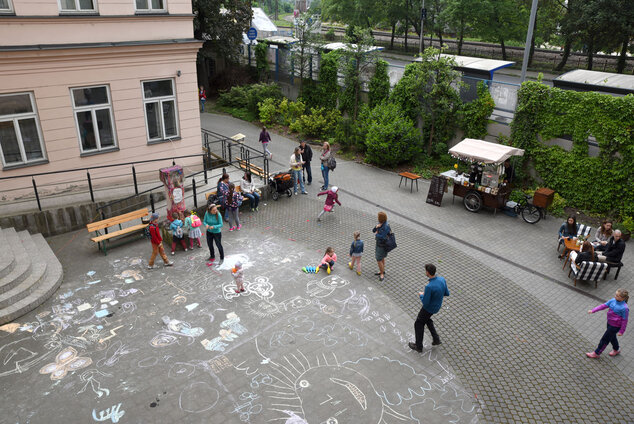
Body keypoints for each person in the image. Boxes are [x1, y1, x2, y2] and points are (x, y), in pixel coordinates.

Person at [409, 264, 450, 353]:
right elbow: (447, 293)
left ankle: (418, 346)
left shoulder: (429, 287)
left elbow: (425, 302)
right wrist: (435, 295)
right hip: (437, 307)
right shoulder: (442, 279)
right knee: (427, 320)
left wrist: (421, 295)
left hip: (428, 309)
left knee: (419, 323)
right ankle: (436, 339)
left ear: (427, 272)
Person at [586, 289, 629, 358]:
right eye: (616, 295)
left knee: (605, 339)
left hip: (615, 326)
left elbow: (625, 320)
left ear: (623, 298)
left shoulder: (625, 308)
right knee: (612, 337)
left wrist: (622, 331)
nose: (615, 297)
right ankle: (616, 349)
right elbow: (603, 306)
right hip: (609, 323)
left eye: (618, 296)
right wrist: (593, 310)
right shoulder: (613, 300)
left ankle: (596, 353)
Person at [373, 211, 390, 282]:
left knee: (378, 259)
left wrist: (377, 234)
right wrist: (376, 227)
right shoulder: (380, 223)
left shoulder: (386, 226)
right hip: (379, 244)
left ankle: (382, 273)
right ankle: (382, 270)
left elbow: (383, 237)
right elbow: (373, 230)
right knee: (382, 257)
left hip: (382, 245)